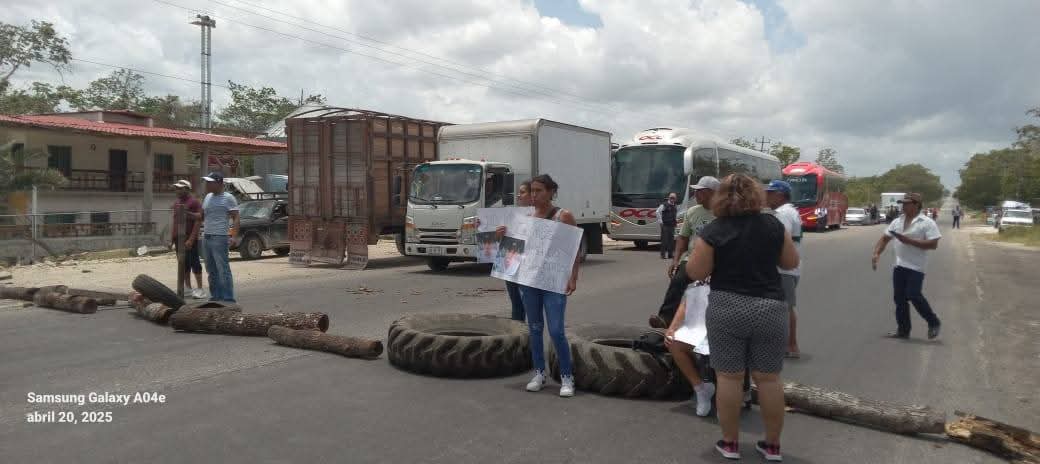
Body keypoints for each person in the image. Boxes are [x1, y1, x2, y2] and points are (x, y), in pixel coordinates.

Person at [686, 174, 799, 461]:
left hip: (727, 306)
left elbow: (696, 272)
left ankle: (730, 444)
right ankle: (772, 447)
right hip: (770, 307)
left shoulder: (714, 229)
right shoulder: (773, 225)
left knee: (729, 377)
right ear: (756, 195)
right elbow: (790, 262)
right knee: (769, 379)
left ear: (720, 197)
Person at [497, 174, 581, 397]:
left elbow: (573, 248)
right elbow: (515, 249)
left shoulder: (563, 216)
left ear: (551, 192)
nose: (534, 195)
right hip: (530, 281)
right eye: (532, 191)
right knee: (534, 329)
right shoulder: (526, 218)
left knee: (556, 330)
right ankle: (539, 373)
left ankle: (566, 376)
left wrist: (573, 276)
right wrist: (502, 237)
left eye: (539, 191)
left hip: (553, 282)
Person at [649, 176, 720, 329]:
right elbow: (683, 238)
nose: (696, 194)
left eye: (700, 191)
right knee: (678, 280)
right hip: (693, 259)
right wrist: (675, 260)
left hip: (718, 260)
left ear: (711, 193)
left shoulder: (723, 213)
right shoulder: (692, 212)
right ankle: (665, 318)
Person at [872, 193, 942, 340]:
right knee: (899, 299)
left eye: (907, 203)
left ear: (916, 205)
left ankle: (933, 322)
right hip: (899, 265)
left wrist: (909, 241)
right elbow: (885, 238)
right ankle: (903, 330)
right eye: (902, 203)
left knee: (913, 294)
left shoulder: (927, 222)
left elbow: (933, 244)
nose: (903, 206)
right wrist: (876, 253)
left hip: (916, 267)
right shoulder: (897, 221)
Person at [765, 180, 803, 358]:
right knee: (782, 307)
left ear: (780, 195)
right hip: (789, 267)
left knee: (785, 307)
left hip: (784, 269)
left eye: (770, 193)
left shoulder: (783, 213)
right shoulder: (789, 211)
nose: (766, 196)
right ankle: (784, 344)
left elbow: (779, 239)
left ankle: (791, 345)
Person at [665, 291, 716, 416]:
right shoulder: (701, 282)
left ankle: (728, 393)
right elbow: (686, 303)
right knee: (673, 342)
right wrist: (672, 328)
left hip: (726, 329)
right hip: (700, 328)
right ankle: (700, 389)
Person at [200, 172, 240, 303]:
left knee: (223, 268)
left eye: (210, 182)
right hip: (206, 236)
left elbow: (236, 217)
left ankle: (228, 298)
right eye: (207, 182)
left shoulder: (228, 198)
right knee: (210, 269)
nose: (207, 185)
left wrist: (234, 236)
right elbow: (202, 216)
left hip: (220, 237)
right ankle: (216, 296)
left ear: (219, 183)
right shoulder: (207, 197)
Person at [170, 180, 205, 299]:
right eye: (176, 188)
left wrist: (191, 239)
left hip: (189, 238)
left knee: (194, 262)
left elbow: (199, 220)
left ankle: (200, 289)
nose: (177, 190)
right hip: (178, 239)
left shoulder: (194, 202)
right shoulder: (177, 203)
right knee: (183, 264)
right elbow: (175, 221)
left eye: (180, 188)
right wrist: (171, 239)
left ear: (187, 189)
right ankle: (188, 288)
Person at [504, 180, 532, 321]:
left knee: (531, 306)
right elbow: (501, 240)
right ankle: (518, 332)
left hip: (529, 266)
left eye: (522, 192)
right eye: (518, 192)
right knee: (516, 305)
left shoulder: (540, 215)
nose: (518, 195)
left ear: (532, 194)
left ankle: (532, 332)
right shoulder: (512, 214)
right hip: (512, 263)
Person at [656, 192, 679, 260]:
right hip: (665, 225)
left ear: (675, 199)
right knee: (664, 240)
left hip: (672, 225)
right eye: (671, 197)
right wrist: (660, 222)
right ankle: (662, 255)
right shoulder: (664, 205)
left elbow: (675, 215)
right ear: (669, 198)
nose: (672, 199)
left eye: (673, 198)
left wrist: (676, 222)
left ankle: (670, 254)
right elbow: (657, 212)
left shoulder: (675, 206)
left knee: (671, 241)